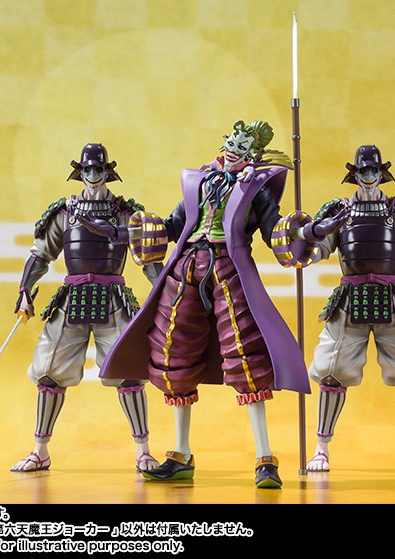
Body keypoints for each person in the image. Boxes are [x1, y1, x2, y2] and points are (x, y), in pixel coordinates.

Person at [98, 120, 311, 488]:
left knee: (246, 355)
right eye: (232, 140)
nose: (233, 147)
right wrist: (126, 233)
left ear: (253, 154)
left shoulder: (255, 188)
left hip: (229, 267)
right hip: (186, 266)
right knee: (172, 351)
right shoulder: (200, 181)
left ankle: (265, 457)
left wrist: (305, 232)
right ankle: (180, 454)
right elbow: (175, 223)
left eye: (243, 145)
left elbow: (274, 228)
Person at [299, 144, 395, 474]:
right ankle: (321, 449)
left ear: (382, 174)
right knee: (331, 371)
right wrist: (305, 245)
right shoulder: (339, 213)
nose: (368, 176)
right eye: (363, 171)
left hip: (392, 300)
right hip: (349, 300)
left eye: (373, 171)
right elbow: (316, 249)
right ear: (354, 175)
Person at [10, 143, 161, 473]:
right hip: (72, 298)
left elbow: (147, 257)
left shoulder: (126, 213)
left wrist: (166, 292)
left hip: (113, 299)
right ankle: (40, 451)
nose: (93, 175)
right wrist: (24, 291)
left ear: (108, 172)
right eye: (88, 170)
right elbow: (40, 255)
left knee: (129, 371)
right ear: (80, 173)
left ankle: (144, 451)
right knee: (49, 371)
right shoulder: (65, 212)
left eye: (98, 169)